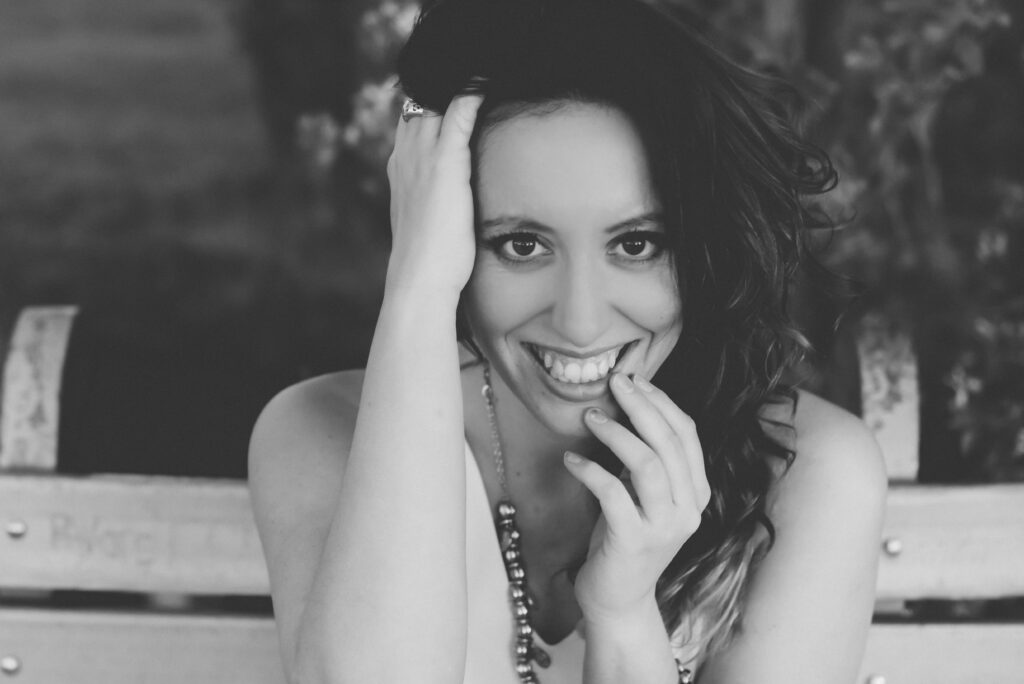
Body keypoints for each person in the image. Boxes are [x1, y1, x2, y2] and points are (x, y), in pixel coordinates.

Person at [247, 0, 888, 682]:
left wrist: (623, 616)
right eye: (521, 245)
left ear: (705, 249)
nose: (580, 323)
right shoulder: (318, 434)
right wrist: (417, 286)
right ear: (445, 231)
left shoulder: (811, 474)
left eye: (637, 244)